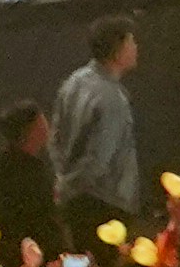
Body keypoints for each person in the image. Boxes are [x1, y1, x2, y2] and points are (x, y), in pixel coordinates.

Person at [49, 19, 148, 232]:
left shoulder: (73, 83)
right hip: (106, 206)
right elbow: (100, 160)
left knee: (79, 254)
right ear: (117, 51)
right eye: (131, 42)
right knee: (103, 255)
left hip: (72, 202)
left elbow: (55, 139)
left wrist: (64, 183)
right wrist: (77, 185)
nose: (136, 47)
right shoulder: (112, 98)